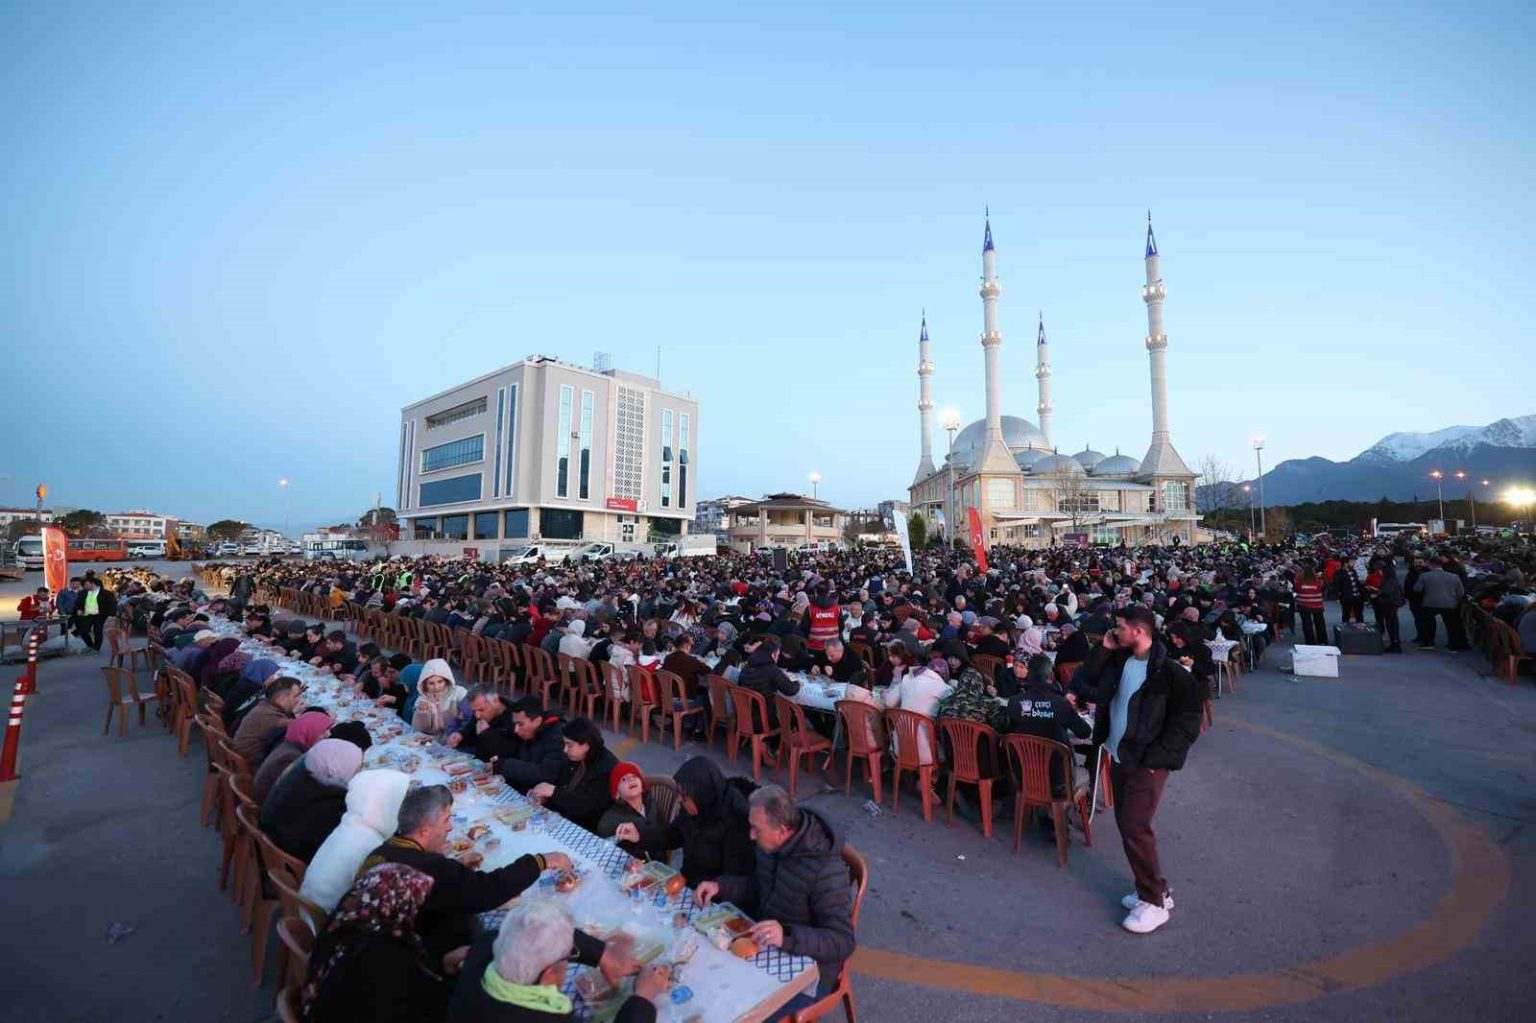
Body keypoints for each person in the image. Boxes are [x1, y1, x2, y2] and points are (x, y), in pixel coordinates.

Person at [1073, 605, 1202, 935]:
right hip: (1118, 755)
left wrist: (1158, 758)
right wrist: (1104, 649)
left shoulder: (1169, 673)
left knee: (1135, 826)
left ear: (1138, 631)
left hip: (1147, 763)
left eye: (1119, 627)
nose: (1115, 631)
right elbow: (1084, 682)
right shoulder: (1119, 660)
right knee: (1126, 824)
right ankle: (1154, 887)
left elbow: (1189, 721)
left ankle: (1153, 901)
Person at [361, 785, 588, 959]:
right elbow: (487, 890)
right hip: (412, 962)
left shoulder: (381, 851)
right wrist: (541, 861)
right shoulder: (432, 868)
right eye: (446, 820)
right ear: (425, 829)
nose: (450, 827)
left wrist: (458, 875)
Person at [696, 786, 855, 1016]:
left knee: (743, 1013)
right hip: (767, 948)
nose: (751, 836)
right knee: (707, 981)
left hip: (810, 972)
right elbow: (758, 885)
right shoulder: (769, 847)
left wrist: (786, 935)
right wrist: (720, 886)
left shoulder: (825, 869)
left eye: (756, 829)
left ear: (782, 831)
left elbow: (842, 941)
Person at [444, 900, 665, 1023]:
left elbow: (533, 928)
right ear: (549, 975)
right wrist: (643, 998)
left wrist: (603, 955)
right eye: (568, 957)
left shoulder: (484, 947)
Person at [299, 864, 461, 1023]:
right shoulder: (381, 952)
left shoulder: (344, 926)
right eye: (415, 902)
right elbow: (437, 1003)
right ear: (399, 902)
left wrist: (444, 963)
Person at [301, 769, 412, 912]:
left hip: (306, 902)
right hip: (325, 916)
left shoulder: (352, 824)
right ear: (387, 804)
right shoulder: (371, 846)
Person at [260, 738, 364, 863]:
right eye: (356, 769)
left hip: (274, 841)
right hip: (291, 858)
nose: (358, 774)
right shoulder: (328, 804)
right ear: (334, 768)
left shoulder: (307, 769)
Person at [1006, 653, 1092, 802]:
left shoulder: (1014, 702)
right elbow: (1085, 732)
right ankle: (1070, 809)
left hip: (1024, 776)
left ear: (1028, 674)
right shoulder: (1061, 704)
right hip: (1059, 781)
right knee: (1085, 771)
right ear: (1051, 676)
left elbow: (1009, 729)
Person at [667, 756, 758, 886]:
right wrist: (641, 833)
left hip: (714, 892)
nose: (680, 799)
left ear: (702, 794)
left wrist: (716, 887)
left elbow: (736, 878)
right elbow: (673, 834)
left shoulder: (736, 819)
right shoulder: (694, 806)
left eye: (684, 796)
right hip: (690, 882)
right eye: (679, 794)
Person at [528, 717, 618, 831]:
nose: (565, 750)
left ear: (586, 746)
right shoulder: (574, 756)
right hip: (561, 816)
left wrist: (554, 792)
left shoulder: (606, 768)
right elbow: (562, 785)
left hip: (584, 827)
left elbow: (590, 808)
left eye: (569, 745)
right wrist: (544, 796)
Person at [251, 710, 334, 804]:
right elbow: (302, 791)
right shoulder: (290, 757)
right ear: (308, 732)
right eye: (323, 732)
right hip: (273, 805)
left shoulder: (290, 745)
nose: (328, 734)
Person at [595, 761, 671, 861]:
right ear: (617, 793)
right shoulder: (611, 820)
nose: (630, 779)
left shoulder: (651, 803)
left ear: (642, 786)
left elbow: (663, 831)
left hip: (658, 860)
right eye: (623, 779)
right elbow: (608, 849)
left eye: (634, 776)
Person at [493, 698, 567, 792]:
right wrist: (499, 764)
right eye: (515, 724)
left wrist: (505, 765)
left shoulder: (557, 737)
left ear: (537, 721)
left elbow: (547, 774)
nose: (516, 730)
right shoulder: (530, 732)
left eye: (520, 724)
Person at [231, 676, 304, 768]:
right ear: (282, 698)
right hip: (251, 764)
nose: (299, 699)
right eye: (296, 696)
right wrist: (296, 714)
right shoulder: (272, 717)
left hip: (242, 753)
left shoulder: (264, 704)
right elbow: (302, 728)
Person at [448, 686, 520, 761]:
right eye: (474, 711)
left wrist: (487, 734)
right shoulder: (478, 712)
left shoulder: (517, 717)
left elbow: (512, 754)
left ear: (495, 700)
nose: (477, 715)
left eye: (481, 710)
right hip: (478, 761)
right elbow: (470, 732)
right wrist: (460, 736)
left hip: (498, 765)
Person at [1414, 559, 1469, 651]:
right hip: (1450, 604)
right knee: (1452, 625)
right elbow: (1461, 592)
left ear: (1431, 565)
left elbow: (1417, 589)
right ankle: (1453, 644)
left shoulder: (1424, 576)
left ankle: (1428, 642)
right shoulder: (1454, 577)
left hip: (1430, 603)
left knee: (1428, 623)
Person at [411, 660, 469, 739]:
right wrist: (422, 712)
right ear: (425, 684)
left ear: (446, 681)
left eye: (440, 681)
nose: (436, 687)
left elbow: (469, 713)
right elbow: (420, 729)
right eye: (431, 683)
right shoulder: (422, 700)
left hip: (455, 736)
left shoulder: (458, 692)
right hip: (431, 739)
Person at [220, 658, 281, 730]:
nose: (273, 679)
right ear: (264, 673)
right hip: (232, 724)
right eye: (272, 675)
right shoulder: (251, 689)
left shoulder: (249, 680)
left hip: (231, 719)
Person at [1369, 560, 1405, 654]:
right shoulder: (1393, 579)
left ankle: (1395, 644)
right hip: (1394, 603)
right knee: (1392, 623)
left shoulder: (1388, 581)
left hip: (1389, 604)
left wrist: (1377, 594)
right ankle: (1395, 643)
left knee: (1391, 625)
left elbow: (1386, 592)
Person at [1294, 566, 1327, 646]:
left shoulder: (1299, 582)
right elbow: (1323, 589)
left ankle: (1310, 642)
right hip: (1317, 604)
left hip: (1303, 605)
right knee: (1320, 623)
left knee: (1307, 624)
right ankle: (1322, 640)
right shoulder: (1319, 582)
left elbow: (1295, 589)